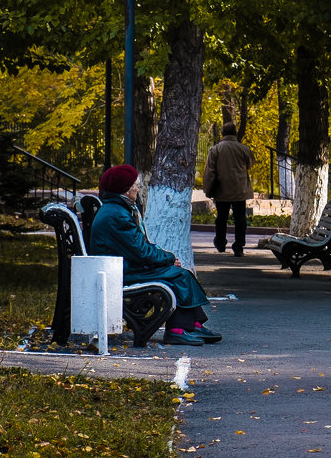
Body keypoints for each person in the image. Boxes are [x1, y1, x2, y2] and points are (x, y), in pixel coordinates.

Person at [90, 164, 220, 346]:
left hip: (122, 267)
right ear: (126, 190)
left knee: (177, 273)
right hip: (122, 272)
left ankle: (192, 324)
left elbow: (138, 247)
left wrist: (165, 258)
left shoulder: (117, 209)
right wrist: (168, 258)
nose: (137, 188)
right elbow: (141, 251)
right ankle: (177, 330)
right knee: (179, 275)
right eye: (134, 185)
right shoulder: (117, 215)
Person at [203, 122, 254, 257]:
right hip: (240, 190)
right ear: (235, 133)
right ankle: (239, 246)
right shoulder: (244, 148)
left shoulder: (216, 149)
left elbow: (210, 171)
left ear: (222, 133)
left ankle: (220, 243)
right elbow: (249, 165)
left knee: (221, 218)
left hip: (221, 190)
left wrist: (208, 189)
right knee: (240, 219)